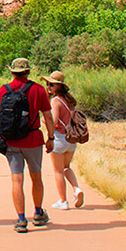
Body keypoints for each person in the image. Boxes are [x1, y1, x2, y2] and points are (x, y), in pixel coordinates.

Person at [0, 57, 56, 233]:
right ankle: (38, 213)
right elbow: (47, 116)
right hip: (33, 140)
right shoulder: (38, 90)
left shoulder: (4, 90)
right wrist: (51, 138)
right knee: (36, 176)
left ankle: (21, 219)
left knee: (17, 179)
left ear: (12, 72)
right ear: (28, 71)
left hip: (11, 141)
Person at [43, 70, 85, 210]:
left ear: (58, 87)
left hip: (59, 139)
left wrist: (44, 121)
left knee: (58, 171)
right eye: (48, 84)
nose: (48, 87)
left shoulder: (55, 101)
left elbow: (54, 121)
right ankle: (77, 189)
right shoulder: (69, 100)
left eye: (51, 85)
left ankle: (63, 201)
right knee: (66, 167)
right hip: (71, 140)